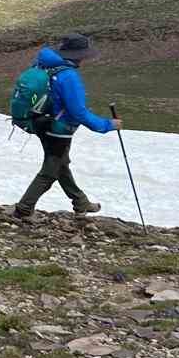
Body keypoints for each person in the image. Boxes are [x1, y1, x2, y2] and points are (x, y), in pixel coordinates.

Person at [14, 33, 119, 219]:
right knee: (50, 171)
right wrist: (107, 125)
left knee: (61, 165)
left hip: (40, 122)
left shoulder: (44, 66)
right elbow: (78, 112)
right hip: (59, 129)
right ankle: (23, 209)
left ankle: (81, 202)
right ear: (79, 55)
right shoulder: (68, 75)